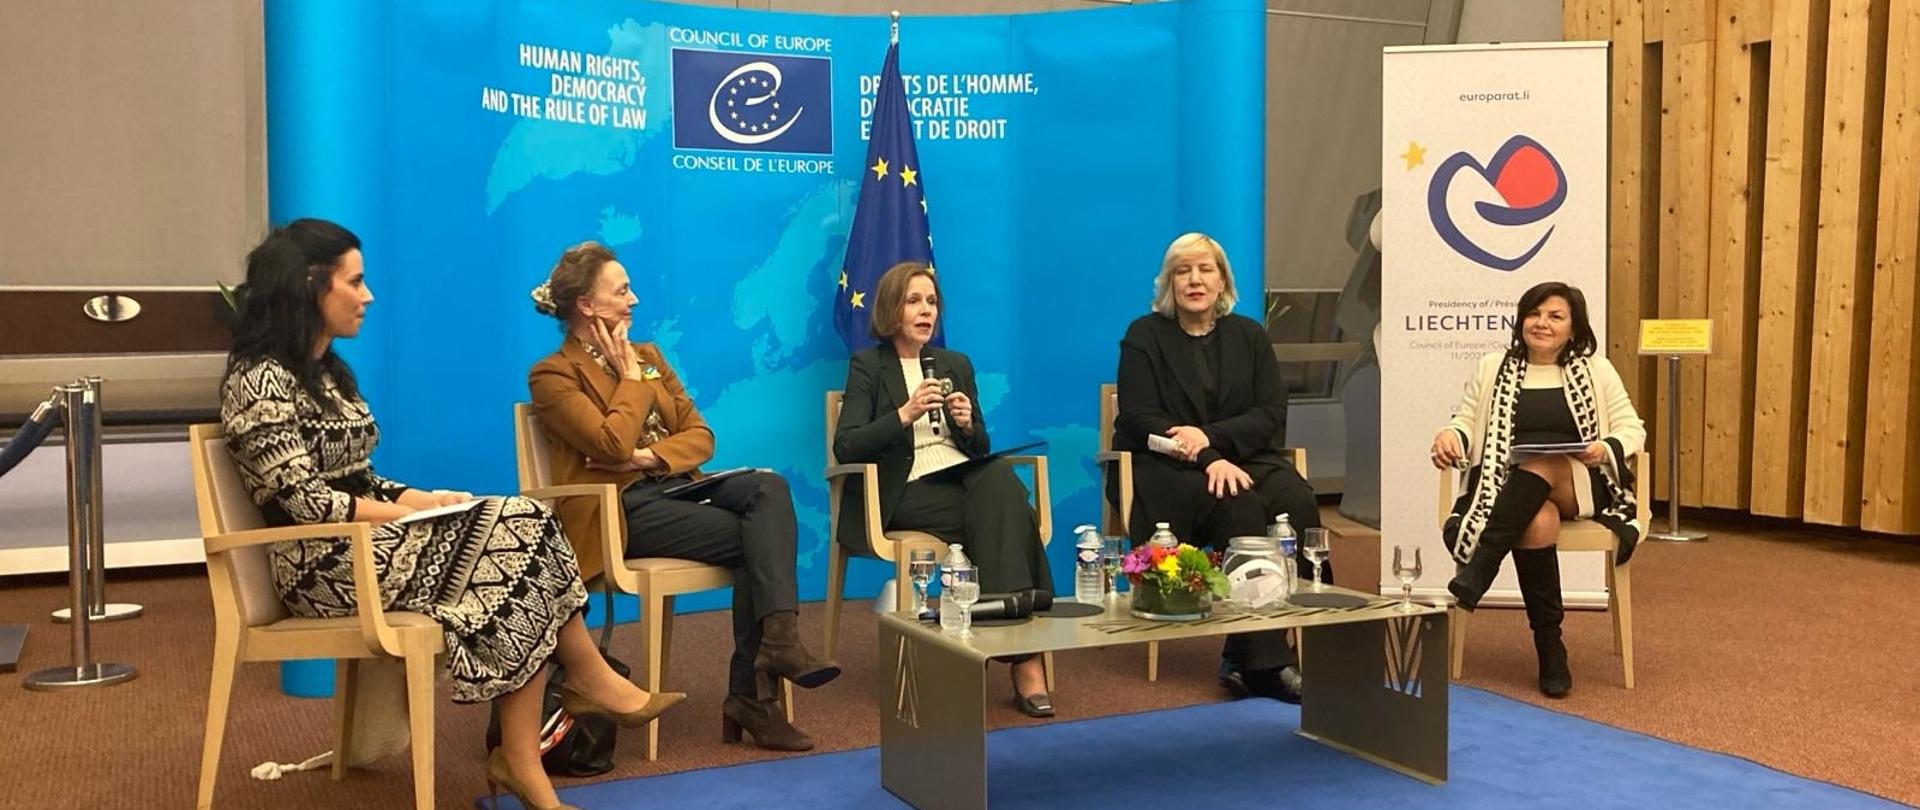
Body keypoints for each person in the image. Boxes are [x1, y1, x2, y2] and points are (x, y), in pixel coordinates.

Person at [221, 220, 672, 810]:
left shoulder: (329, 375)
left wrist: (423, 501)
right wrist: (396, 514)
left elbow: (358, 476)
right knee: (518, 542)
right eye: (355, 282)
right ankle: (562, 706)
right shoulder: (258, 381)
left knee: (525, 522)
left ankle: (530, 748)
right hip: (321, 567)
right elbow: (301, 501)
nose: (368, 296)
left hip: (367, 544)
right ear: (310, 285)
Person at [527, 242, 838, 753]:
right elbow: (610, 444)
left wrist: (649, 457)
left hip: (675, 486)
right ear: (586, 304)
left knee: (769, 488)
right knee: (758, 540)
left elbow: (700, 436)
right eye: (622, 290)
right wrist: (630, 381)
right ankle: (753, 697)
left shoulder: (650, 357)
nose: (634, 299)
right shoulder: (554, 374)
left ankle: (780, 644)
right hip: (618, 512)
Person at [831, 261, 1057, 718]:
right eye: (914, 301)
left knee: (998, 479)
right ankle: (1026, 659)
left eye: (932, 302)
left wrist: (967, 423)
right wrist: (905, 413)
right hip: (904, 490)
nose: (926, 311)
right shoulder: (868, 366)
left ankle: (998, 644)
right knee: (1012, 511)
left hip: (962, 479)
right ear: (891, 309)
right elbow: (847, 444)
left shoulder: (956, 364)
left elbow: (980, 446)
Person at [1109, 232, 1320, 703]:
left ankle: (1304, 642)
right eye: (1183, 271)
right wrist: (1206, 457)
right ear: (1169, 283)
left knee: (1297, 501)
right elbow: (1140, 418)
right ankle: (1266, 664)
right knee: (1236, 502)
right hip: (1165, 468)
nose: (1195, 280)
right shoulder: (1144, 336)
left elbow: (1270, 412)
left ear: (1222, 280)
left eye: (1205, 269)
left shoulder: (1249, 335)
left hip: (1242, 456)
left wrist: (1213, 440)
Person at [1432, 280, 1645, 698]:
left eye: (1555, 316)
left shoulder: (1596, 370)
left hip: (1581, 484)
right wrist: (1450, 435)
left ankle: (1482, 566)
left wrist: (1604, 448)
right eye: (1534, 313)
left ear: (1573, 327)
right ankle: (1550, 647)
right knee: (1537, 520)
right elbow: (1466, 420)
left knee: (1542, 464)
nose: (1542, 323)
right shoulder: (1493, 367)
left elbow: (1631, 428)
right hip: (1510, 490)